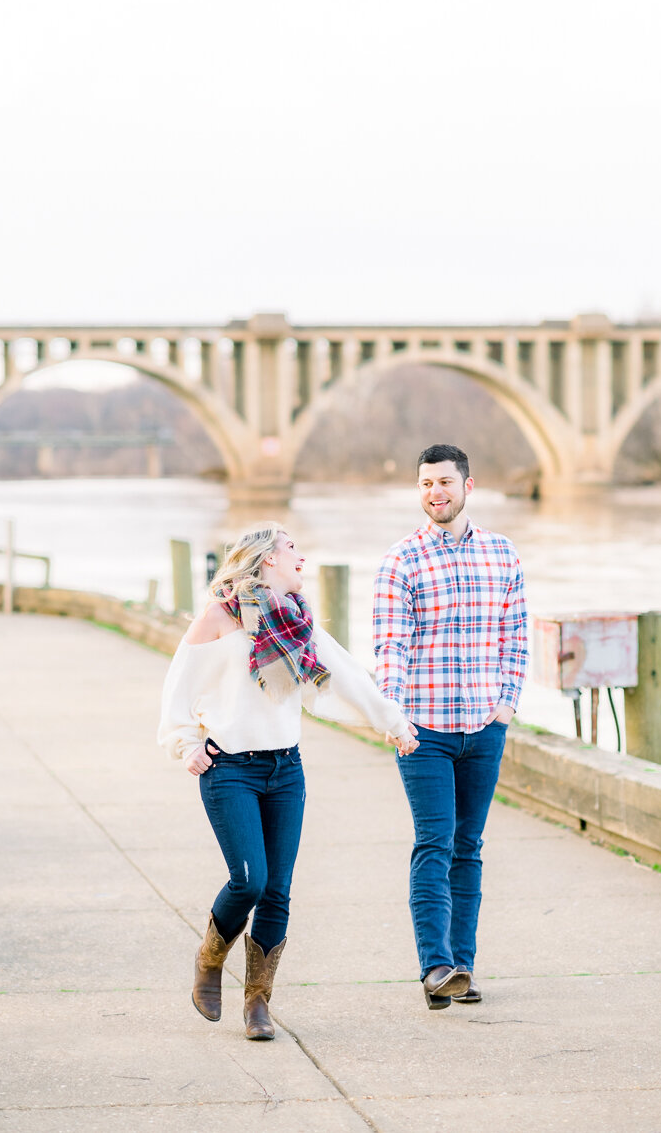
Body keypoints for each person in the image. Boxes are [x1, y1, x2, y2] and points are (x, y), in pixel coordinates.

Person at [158, 521, 418, 1041]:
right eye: (292, 548)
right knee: (249, 881)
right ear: (265, 558)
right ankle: (210, 957)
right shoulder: (219, 617)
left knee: (277, 891)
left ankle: (258, 1004)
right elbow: (178, 689)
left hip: (285, 771)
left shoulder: (298, 621)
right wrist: (186, 743)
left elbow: (343, 673)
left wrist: (392, 721)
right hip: (230, 769)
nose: (301, 557)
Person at [372, 444, 528, 1010]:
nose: (434, 492)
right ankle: (435, 967)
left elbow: (515, 636)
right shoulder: (401, 560)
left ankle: (463, 965)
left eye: (444, 482)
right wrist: (392, 712)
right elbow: (391, 644)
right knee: (434, 843)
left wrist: (506, 705)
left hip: (485, 726)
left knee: (470, 846)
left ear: (467, 486)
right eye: (424, 484)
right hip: (424, 730)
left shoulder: (502, 554)